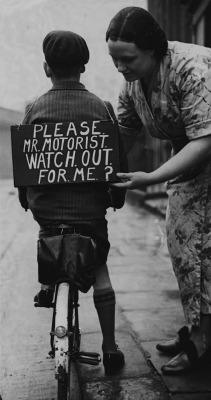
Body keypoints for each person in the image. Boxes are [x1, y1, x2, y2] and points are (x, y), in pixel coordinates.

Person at [106, 6, 211, 374]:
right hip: (189, 160)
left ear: (153, 49)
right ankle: (200, 329)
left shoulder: (190, 68)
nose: (120, 67)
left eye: (127, 59)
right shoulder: (133, 85)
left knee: (202, 248)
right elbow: (124, 133)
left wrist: (149, 177)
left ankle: (201, 342)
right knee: (184, 246)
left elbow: (204, 141)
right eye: (114, 59)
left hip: (202, 151)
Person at [18, 30, 127, 375]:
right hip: (89, 220)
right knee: (100, 270)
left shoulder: (32, 110)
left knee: (50, 237)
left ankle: (50, 284)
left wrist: (28, 202)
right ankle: (110, 348)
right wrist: (116, 200)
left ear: (47, 68)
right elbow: (118, 168)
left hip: (49, 220)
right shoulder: (102, 108)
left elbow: (25, 177)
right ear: (84, 66)